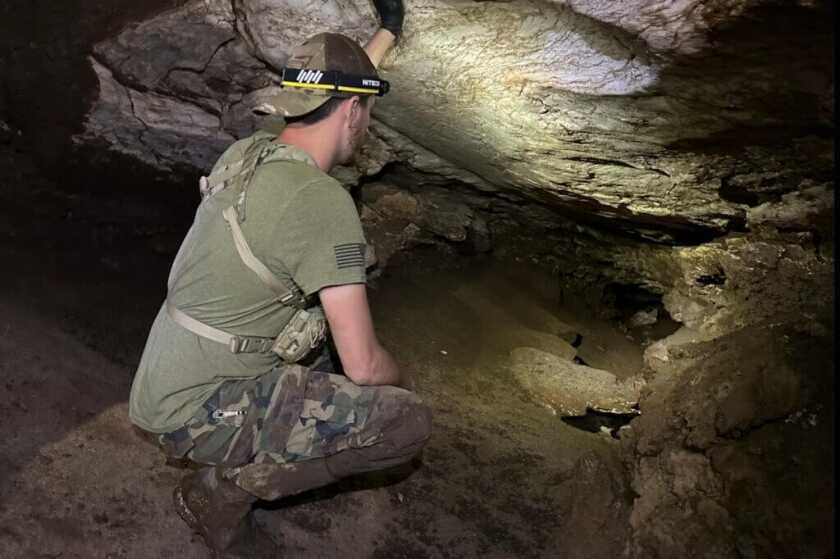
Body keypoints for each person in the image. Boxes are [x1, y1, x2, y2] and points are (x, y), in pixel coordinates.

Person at [127, 1, 431, 556]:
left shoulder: (252, 151)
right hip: (195, 409)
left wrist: (388, 31)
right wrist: (404, 376)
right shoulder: (322, 202)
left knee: (318, 324)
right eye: (363, 110)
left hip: (164, 374)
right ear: (355, 114)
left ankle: (249, 439)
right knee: (404, 423)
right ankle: (222, 490)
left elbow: (328, 92)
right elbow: (364, 367)